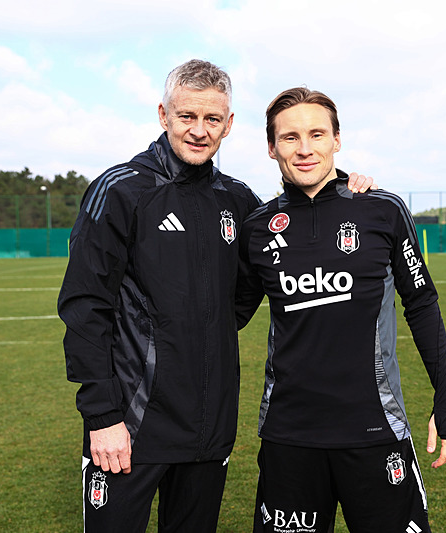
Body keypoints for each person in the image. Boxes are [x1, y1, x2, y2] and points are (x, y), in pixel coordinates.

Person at [58, 61, 374, 533]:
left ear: (228, 125)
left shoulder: (238, 201)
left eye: (212, 120)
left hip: (209, 430)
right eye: (187, 116)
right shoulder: (122, 190)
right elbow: (85, 307)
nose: (199, 131)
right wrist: (102, 414)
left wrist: (344, 187)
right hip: (129, 427)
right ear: (163, 114)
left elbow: (252, 284)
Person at [235, 87, 446, 533]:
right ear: (270, 147)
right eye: (289, 137)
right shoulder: (258, 227)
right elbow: (225, 317)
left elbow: (422, 304)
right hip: (289, 437)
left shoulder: (383, 210)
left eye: (317, 134)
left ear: (337, 140)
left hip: (375, 431)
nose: (304, 149)